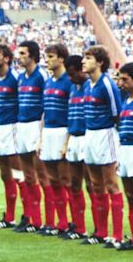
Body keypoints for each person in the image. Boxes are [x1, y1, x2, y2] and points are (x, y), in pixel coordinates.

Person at [81, 45, 123, 247]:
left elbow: (117, 114)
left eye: (88, 58)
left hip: (105, 134)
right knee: (95, 185)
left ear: (100, 63)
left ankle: (116, 235)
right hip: (89, 134)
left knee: (111, 185)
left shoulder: (107, 84)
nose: (83, 61)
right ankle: (101, 232)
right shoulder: (88, 84)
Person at [0, 43, 28, 229]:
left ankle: (28, 214)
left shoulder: (15, 78)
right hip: (1, 127)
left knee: (18, 172)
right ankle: (10, 216)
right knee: (5, 174)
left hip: (13, 127)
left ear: (6, 58)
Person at [14, 41, 49, 233]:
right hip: (22, 125)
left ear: (33, 55)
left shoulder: (41, 76)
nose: (19, 56)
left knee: (43, 175)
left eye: (23, 53)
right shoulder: (21, 77)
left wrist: (42, 133)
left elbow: (45, 106)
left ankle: (49, 220)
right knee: (27, 176)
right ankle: (33, 219)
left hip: (36, 125)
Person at [38, 44, 72, 236]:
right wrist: (40, 138)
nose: (47, 60)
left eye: (51, 56)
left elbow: (71, 112)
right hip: (48, 132)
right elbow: (44, 112)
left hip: (62, 131)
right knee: (53, 180)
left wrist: (67, 141)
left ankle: (73, 223)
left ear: (61, 59)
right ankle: (60, 222)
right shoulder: (49, 82)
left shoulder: (68, 81)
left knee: (66, 179)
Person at [63, 55, 92, 240]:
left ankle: (99, 230)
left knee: (92, 185)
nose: (71, 78)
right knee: (74, 184)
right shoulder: (73, 89)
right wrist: (66, 143)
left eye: (73, 74)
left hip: (87, 137)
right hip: (73, 138)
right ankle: (78, 227)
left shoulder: (91, 87)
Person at [117, 62, 133, 251]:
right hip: (125, 150)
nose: (121, 83)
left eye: (125, 79)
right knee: (130, 196)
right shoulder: (125, 100)